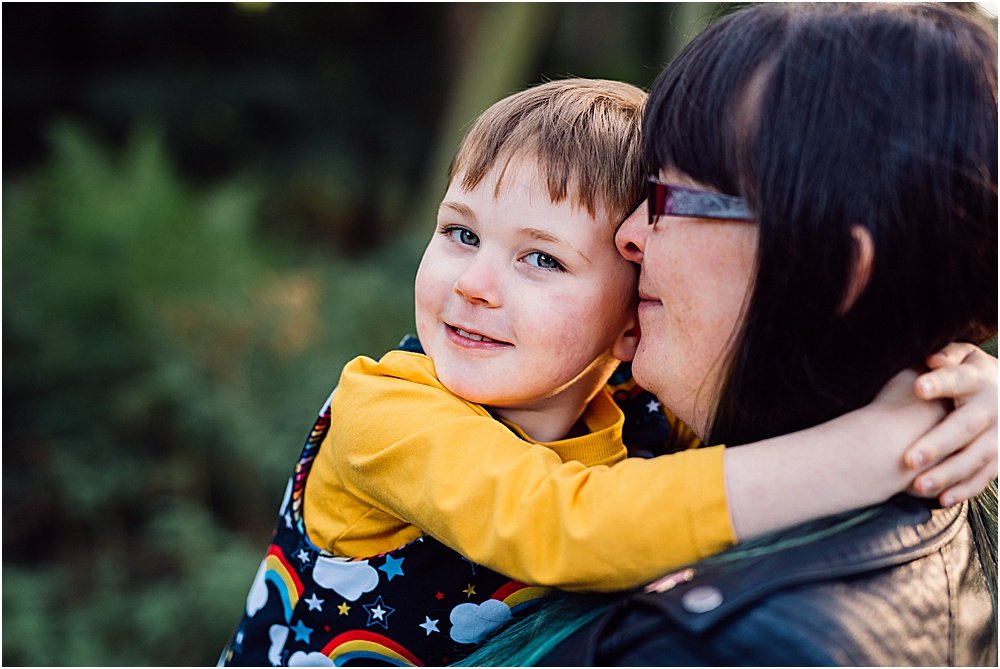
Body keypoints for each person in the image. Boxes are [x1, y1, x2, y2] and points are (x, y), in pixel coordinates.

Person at [221, 75, 997, 667]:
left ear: (634, 316)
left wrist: (959, 378)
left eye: (540, 258)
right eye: (460, 233)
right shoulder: (384, 411)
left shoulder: (639, 413)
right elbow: (562, 523)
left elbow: (786, 394)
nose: (475, 283)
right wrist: (878, 449)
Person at [461, 3, 998, 666]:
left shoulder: (726, 648)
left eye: (663, 197)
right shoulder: (930, 476)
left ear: (830, 270)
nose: (627, 235)